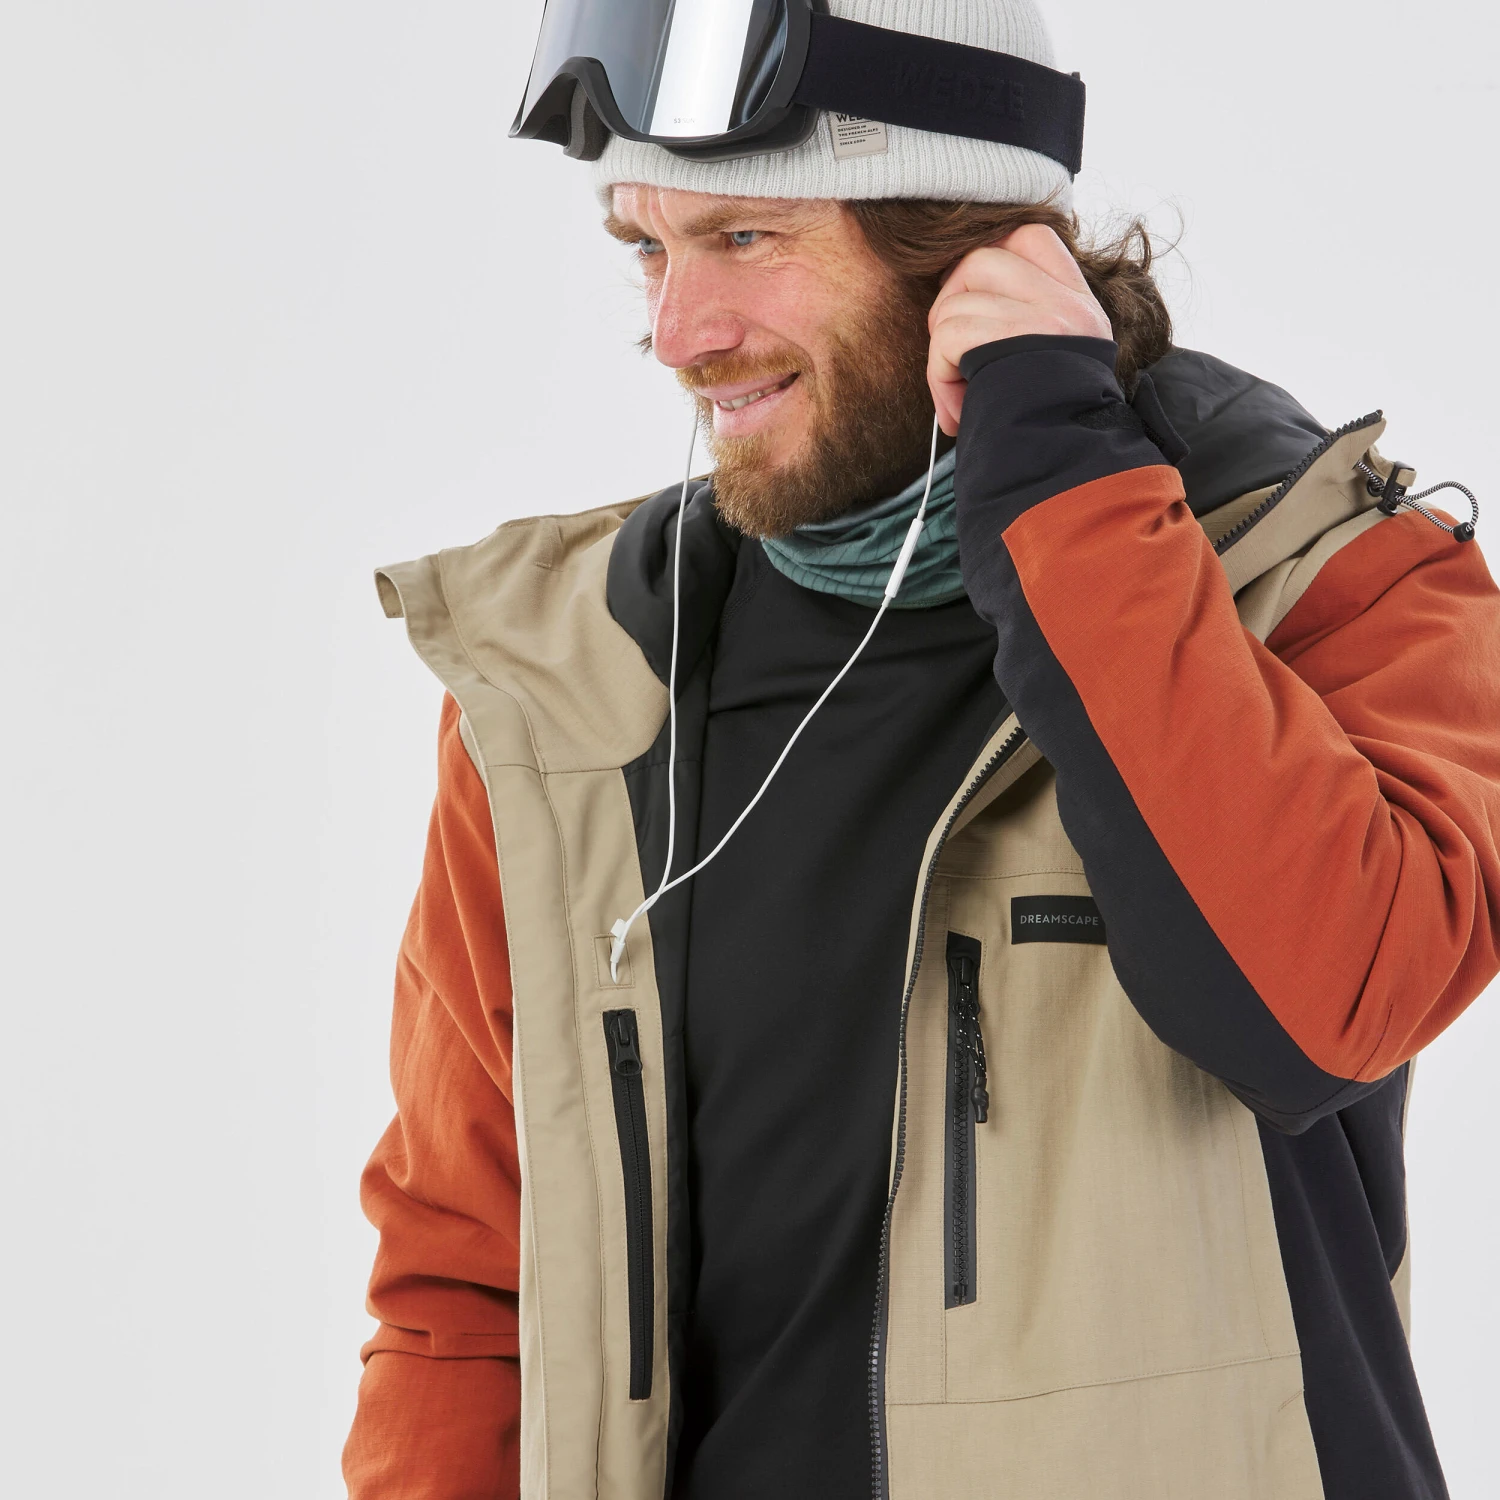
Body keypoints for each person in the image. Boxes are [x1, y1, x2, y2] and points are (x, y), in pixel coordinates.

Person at [342, 3, 1500, 1497]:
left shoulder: (1331, 579)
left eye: (746, 238)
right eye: (648, 247)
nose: (679, 333)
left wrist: (1061, 477)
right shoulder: (571, 689)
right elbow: (464, 1289)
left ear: (961, 239)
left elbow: (1324, 1002)